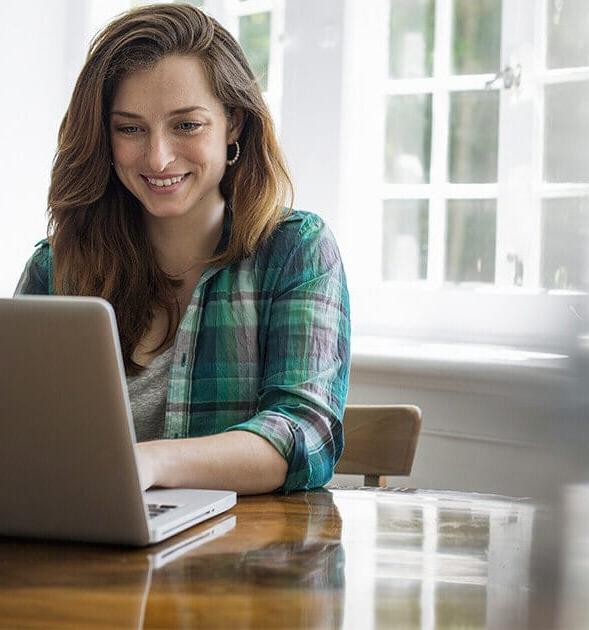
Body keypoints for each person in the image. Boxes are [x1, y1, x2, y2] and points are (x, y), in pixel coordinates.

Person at [14, 4, 350, 495]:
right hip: (81, 554)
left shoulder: (295, 250)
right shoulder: (55, 268)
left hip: (242, 560)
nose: (158, 156)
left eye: (187, 125)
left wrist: (146, 464)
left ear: (232, 123)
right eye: (130, 128)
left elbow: (304, 436)